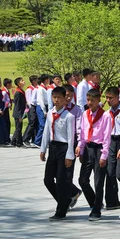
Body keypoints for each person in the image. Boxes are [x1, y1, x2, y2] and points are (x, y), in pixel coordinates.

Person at [39, 86, 76, 221]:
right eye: (54, 97)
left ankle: (61, 210)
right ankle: (64, 201)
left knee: (62, 180)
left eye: (59, 97)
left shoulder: (69, 116)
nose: (56, 100)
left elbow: (71, 137)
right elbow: (46, 132)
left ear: (64, 98)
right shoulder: (50, 113)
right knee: (48, 179)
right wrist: (43, 149)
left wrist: (69, 155)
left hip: (64, 148)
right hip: (53, 147)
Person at [76, 88, 111, 221]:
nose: (89, 102)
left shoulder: (105, 116)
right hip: (88, 148)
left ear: (98, 101)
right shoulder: (85, 114)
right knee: (83, 180)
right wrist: (81, 147)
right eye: (88, 100)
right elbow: (83, 133)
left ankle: (96, 210)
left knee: (98, 181)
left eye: (92, 100)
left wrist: (104, 155)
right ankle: (94, 202)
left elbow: (107, 137)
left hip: (99, 148)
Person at [34, 74, 50, 147]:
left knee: (46, 125)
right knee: (42, 125)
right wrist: (44, 111)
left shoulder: (45, 88)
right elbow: (41, 101)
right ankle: (37, 141)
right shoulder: (41, 89)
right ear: (46, 80)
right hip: (41, 107)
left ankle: (44, 141)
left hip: (45, 106)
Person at [22, 75, 39, 146]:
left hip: (34, 107)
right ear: (34, 81)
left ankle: (34, 138)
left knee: (35, 123)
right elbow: (29, 101)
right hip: (31, 108)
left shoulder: (36, 88)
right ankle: (25, 138)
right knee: (31, 123)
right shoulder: (29, 90)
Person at [11, 77, 26, 147]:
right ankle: (19, 142)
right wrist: (20, 115)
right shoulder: (18, 93)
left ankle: (13, 140)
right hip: (18, 113)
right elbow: (17, 105)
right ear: (18, 84)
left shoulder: (21, 91)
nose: (24, 82)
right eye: (22, 81)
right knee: (18, 128)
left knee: (18, 127)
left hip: (20, 112)